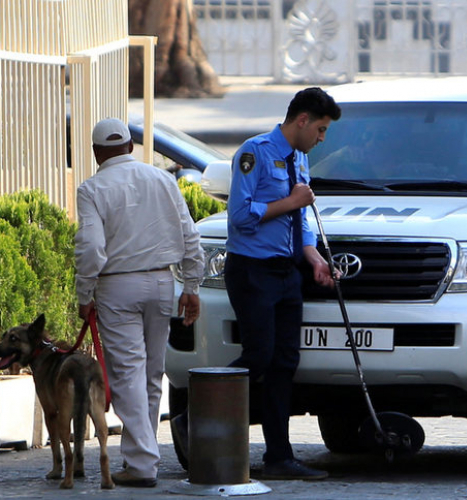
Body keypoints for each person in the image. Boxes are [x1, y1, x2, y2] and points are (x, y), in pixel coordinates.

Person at [172, 87, 340, 481]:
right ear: (301, 120)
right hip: (253, 270)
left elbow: (303, 221)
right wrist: (291, 203)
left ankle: (280, 456)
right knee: (259, 355)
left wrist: (313, 256)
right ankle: (192, 418)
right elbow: (241, 216)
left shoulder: (299, 157)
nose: (321, 139)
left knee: (285, 363)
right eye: (320, 129)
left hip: (287, 271)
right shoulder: (255, 152)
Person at [75, 117, 204, 488]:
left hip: (117, 286)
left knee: (127, 374)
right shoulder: (163, 179)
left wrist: (85, 295)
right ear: (130, 147)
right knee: (150, 375)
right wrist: (191, 286)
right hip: (163, 282)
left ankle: (142, 463)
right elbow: (189, 236)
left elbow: (91, 249)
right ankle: (142, 458)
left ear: (97, 153)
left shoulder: (92, 188)